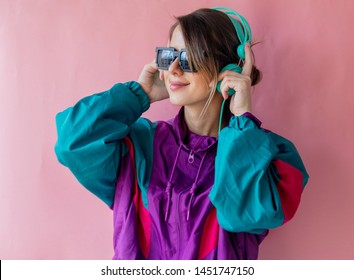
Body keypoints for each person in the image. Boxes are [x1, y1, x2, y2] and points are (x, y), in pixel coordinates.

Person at [55, 7, 309, 260]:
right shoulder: (139, 146)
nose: (174, 69)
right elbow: (72, 142)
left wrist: (243, 119)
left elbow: (240, 214)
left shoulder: (270, 156)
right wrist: (138, 94)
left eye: (188, 58)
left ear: (228, 68)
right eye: (168, 56)